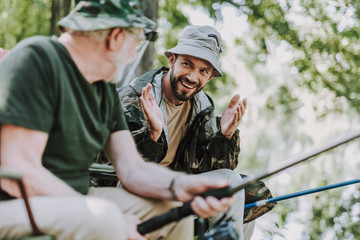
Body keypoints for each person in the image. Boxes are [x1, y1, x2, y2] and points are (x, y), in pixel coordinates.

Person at [0, 1, 236, 240]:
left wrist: (182, 187)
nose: (134, 55)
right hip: (14, 201)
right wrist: (94, 212)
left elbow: (132, 168)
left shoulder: (103, 90)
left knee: (176, 213)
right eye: (135, 43)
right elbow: (19, 170)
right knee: (107, 219)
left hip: (74, 197)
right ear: (115, 37)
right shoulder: (38, 58)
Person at [113, 25, 255, 239]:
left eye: (203, 71)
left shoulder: (203, 107)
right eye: (187, 64)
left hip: (180, 184)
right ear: (172, 60)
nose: (192, 76)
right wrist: (153, 135)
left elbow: (212, 169)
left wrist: (224, 137)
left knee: (239, 189)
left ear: (210, 77)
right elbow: (117, 167)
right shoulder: (133, 98)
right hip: (135, 186)